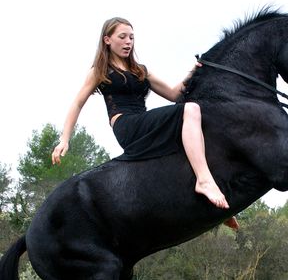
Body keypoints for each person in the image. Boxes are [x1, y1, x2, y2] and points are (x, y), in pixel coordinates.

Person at [52, 17, 239, 229]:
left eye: (131, 37)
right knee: (191, 110)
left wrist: (194, 71)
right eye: (122, 37)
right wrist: (64, 139)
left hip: (144, 122)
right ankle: (204, 182)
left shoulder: (141, 70)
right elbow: (77, 104)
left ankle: (212, 197)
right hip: (128, 126)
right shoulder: (100, 71)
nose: (128, 42)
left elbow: (173, 93)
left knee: (197, 132)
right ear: (107, 39)